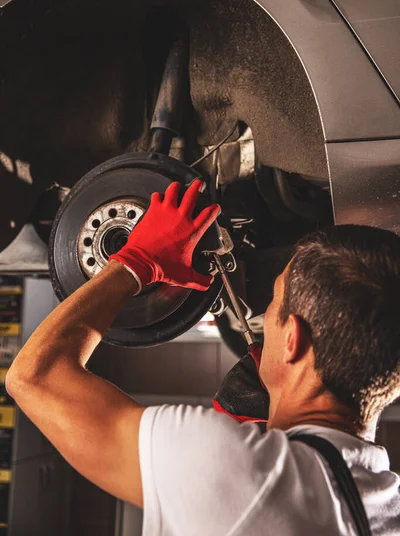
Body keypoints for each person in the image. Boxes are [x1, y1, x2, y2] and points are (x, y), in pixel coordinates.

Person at [5, 179, 400, 536]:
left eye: (276, 301)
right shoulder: (383, 506)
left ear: (292, 339)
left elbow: (35, 377)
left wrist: (137, 262)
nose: (267, 317)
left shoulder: (245, 475)